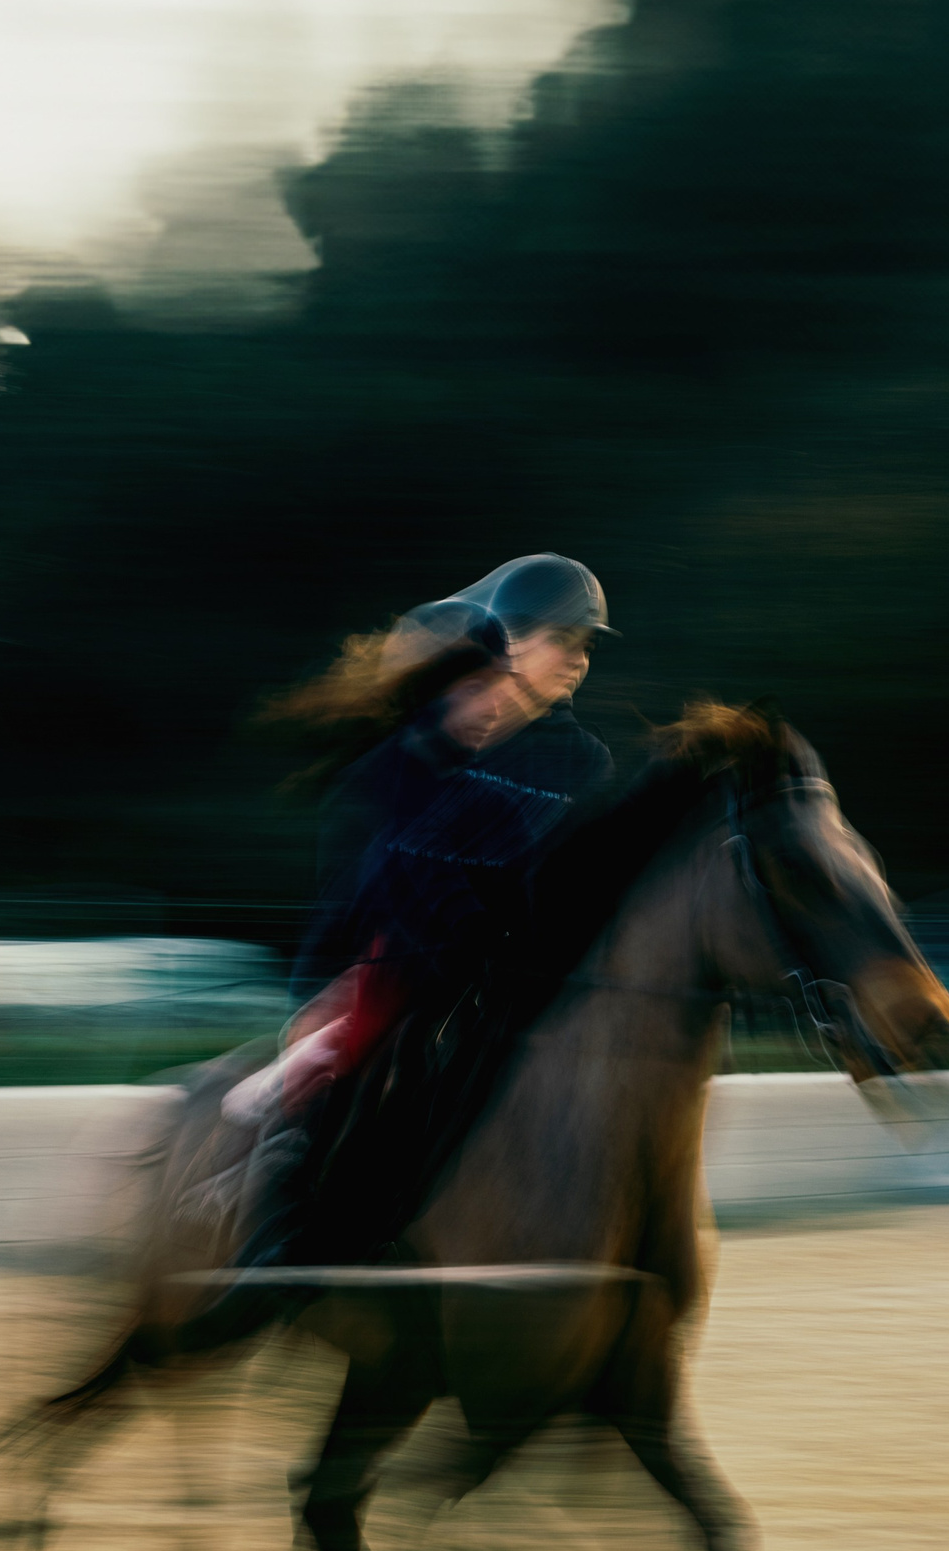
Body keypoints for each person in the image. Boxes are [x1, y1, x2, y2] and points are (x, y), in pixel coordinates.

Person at [178, 554, 621, 1356]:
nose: (581, 660)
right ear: (510, 642)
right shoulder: (431, 740)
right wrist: (433, 948)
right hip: (390, 958)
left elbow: (575, 892)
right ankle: (278, 1244)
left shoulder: (582, 763)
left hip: (506, 974)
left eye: (589, 646)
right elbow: (382, 874)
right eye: (566, 639)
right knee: (372, 1054)